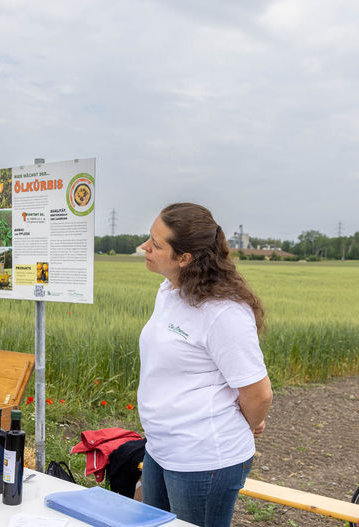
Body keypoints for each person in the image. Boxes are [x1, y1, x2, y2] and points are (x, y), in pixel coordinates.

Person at [137, 202, 273, 527]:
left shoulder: (224, 312)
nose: (144, 247)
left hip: (204, 461)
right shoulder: (170, 290)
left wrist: (247, 423)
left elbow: (259, 393)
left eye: (156, 244)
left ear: (184, 258)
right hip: (160, 448)